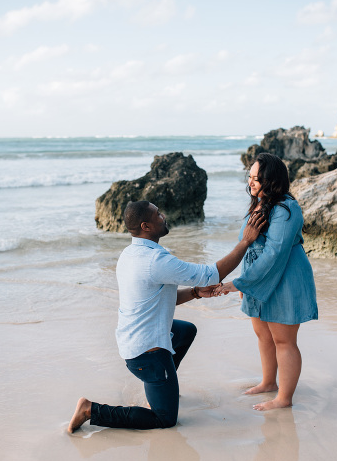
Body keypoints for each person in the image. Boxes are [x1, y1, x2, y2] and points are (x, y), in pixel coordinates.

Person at [67, 200, 266, 433]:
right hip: (146, 354)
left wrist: (194, 293)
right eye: (157, 214)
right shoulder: (155, 261)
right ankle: (90, 409)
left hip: (134, 340)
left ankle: (163, 384)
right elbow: (211, 273)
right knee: (164, 419)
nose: (163, 216)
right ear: (146, 226)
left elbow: (158, 296)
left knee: (186, 331)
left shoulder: (130, 253)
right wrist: (246, 241)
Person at [216, 153, 318, 411]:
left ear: (271, 180)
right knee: (263, 335)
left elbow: (275, 253)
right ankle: (268, 382)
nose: (251, 183)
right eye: (249, 177)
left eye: (256, 178)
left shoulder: (286, 208)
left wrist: (240, 283)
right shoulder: (260, 203)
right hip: (257, 278)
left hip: (285, 277)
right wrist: (247, 284)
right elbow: (249, 245)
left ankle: (284, 398)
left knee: (284, 340)